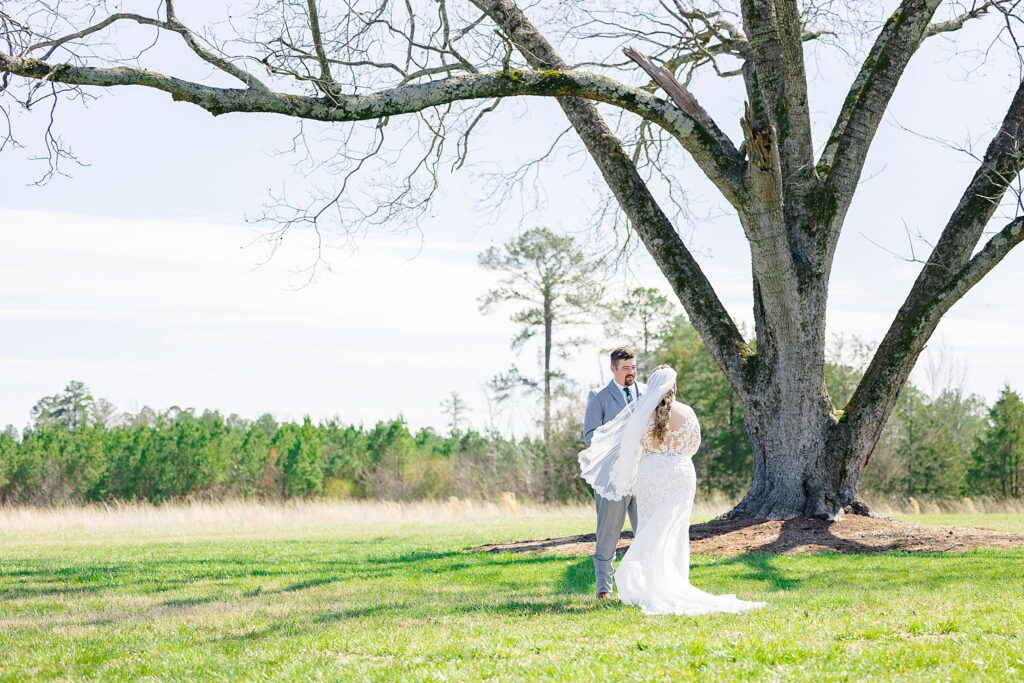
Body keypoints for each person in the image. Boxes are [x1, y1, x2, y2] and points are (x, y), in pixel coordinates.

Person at [579, 365, 766, 615]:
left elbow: (630, 446)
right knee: (676, 530)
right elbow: (694, 445)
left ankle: (650, 584)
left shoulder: (641, 413)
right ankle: (676, 581)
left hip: (651, 474)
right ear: (674, 386)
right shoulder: (687, 412)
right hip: (680, 473)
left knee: (649, 526)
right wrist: (673, 455)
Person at [582, 347, 645, 599]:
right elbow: (590, 436)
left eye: (633, 368)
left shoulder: (646, 392)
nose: (631, 373)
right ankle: (604, 589)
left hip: (642, 476)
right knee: (608, 534)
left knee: (646, 531)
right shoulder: (599, 397)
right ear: (613, 369)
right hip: (612, 478)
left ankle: (644, 585)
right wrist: (621, 441)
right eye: (626, 368)